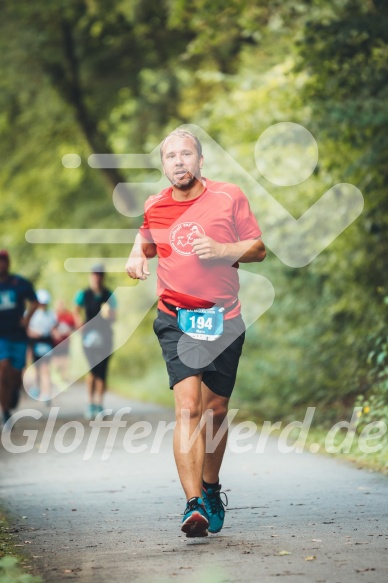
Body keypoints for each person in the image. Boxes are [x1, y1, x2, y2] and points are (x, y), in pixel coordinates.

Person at [125, 129, 266, 537]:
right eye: (171, 156)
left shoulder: (228, 196)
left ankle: (210, 487)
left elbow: (257, 248)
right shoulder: (156, 206)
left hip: (224, 317)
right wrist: (136, 251)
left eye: (187, 154)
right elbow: (147, 235)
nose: (179, 162)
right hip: (176, 317)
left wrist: (222, 250)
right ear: (164, 165)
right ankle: (192, 506)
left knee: (215, 410)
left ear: (201, 161)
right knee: (187, 407)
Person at [0, 249, 38, 426]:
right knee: (2, 370)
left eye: (3, 260)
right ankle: (5, 412)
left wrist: (27, 318)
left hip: (18, 336)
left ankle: (14, 391)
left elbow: (35, 301)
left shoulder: (18, 283)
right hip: (1, 337)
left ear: (8, 262)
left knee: (14, 375)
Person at [74, 264, 117, 420]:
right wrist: (78, 323)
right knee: (93, 369)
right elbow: (76, 310)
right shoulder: (84, 294)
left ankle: (99, 404)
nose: (97, 277)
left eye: (100, 275)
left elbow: (114, 316)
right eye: (95, 274)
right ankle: (90, 403)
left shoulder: (108, 294)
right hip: (88, 337)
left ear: (103, 277)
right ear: (91, 276)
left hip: (105, 336)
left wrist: (109, 313)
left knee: (102, 371)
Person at [27, 289, 58, 403]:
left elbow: (54, 328)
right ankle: (37, 387)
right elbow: (26, 329)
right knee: (37, 368)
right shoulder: (31, 314)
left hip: (47, 343)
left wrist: (56, 333)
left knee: (45, 369)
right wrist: (34, 334)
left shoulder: (51, 314)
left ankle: (46, 393)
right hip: (35, 343)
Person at [52, 299, 76, 382]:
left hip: (65, 341)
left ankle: (63, 376)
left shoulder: (69, 316)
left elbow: (73, 326)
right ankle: (57, 374)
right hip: (56, 342)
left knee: (65, 359)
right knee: (57, 360)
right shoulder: (54, 315)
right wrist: (55, 333)